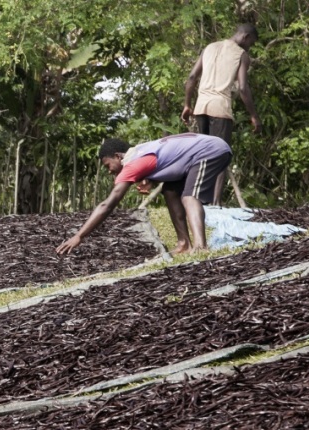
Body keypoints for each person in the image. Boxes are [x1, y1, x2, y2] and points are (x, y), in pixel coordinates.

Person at [57, 133, 231, 256]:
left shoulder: (132, 164)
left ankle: (201, 247)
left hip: (209, 151)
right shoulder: (139, 152)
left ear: (118, 157)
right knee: (170, 191)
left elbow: (107, 204)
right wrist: (151, 179)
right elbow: (166, 160)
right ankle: (184, 244)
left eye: (108, 166)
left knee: (189, 197)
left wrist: (79, 236)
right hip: (198, 153)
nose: (109, 172)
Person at [181, 24, 261, 204]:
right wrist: (254, 115)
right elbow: (242, 87)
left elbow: (192, 77)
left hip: (201, 106)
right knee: (220, 156)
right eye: (251, 43)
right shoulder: (241, 55)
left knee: (202, 155)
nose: (250, 47)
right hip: (220, 108)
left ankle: (198, 199)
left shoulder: (209, 48)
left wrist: (187, 105)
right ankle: (215, 203)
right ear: (245, 37)